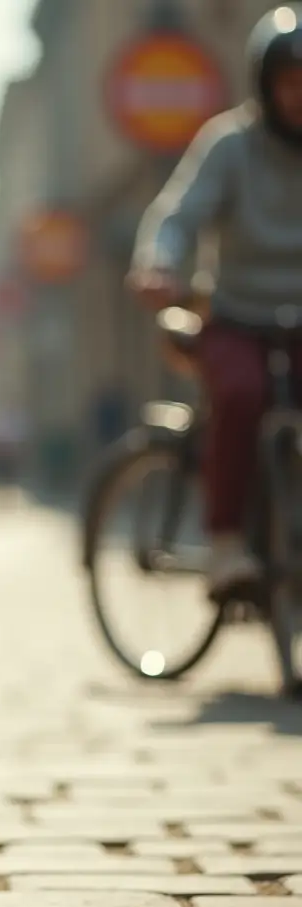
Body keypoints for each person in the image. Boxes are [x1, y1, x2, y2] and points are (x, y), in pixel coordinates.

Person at [128, 4, 302, 598]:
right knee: (240, 392)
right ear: (266, 83)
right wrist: (160, 262)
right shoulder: (230, 145)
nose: (299, 96)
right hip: (237, 315)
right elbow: (179, 214)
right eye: (290, 82)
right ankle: (226, 542)